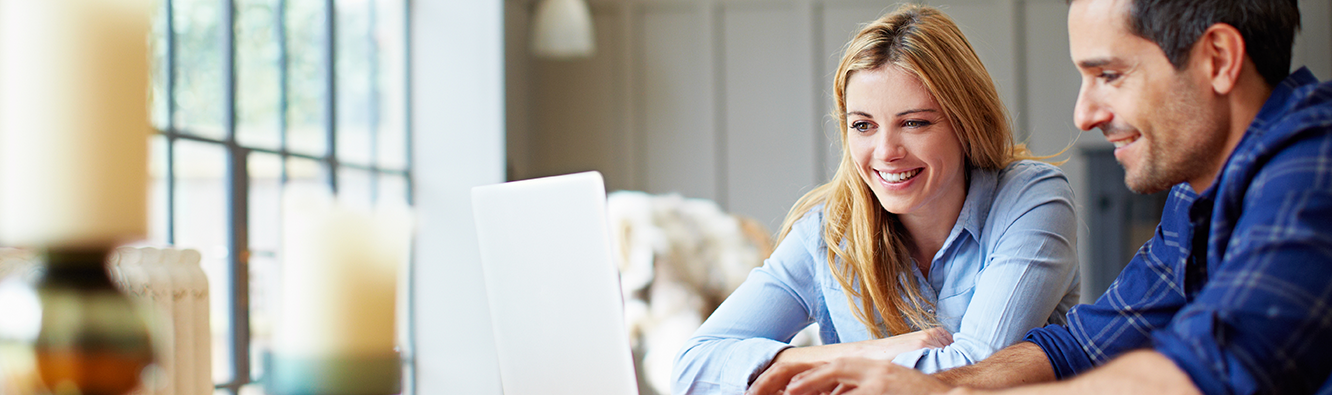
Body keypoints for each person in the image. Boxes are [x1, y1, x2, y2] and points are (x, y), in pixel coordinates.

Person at [746, 0, 1332, 394]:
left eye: (1110, 75)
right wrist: (945, 384)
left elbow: (1204, 371)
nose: (1085, 113)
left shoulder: (1314, 164)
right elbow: (1082, 340)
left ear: (1219, 60)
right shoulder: (1198, 192)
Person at [671, 4, 1082, 394]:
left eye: (914, 122)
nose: (886, 151)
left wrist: (798, 369)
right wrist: (868, 351)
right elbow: (693, 366)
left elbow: (973, 369)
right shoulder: (827, 231)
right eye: (864, 125)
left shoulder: (1032, 199)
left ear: (966, 121)